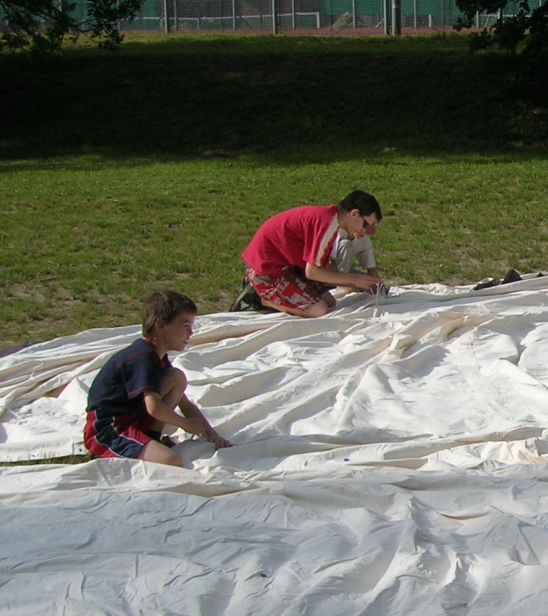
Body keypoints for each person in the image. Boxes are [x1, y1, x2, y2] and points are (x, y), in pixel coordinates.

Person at [83, 290, 230, 466]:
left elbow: (184, 403)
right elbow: (154, 408)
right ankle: (109, 453)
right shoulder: (142, 357)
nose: (191, 333)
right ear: (161, 326)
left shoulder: (156, 356)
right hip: (110, 429)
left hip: (133, 419)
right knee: (172, 461)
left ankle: (151, 440)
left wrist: (212, 434)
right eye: (185, 326)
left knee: (177, 377)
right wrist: (185, 424)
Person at [238, 191, 384, 317]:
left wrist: (354, 281)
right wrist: (354, 280)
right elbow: (312, 272)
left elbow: (320, 268)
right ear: (354, 214)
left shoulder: (331, 220)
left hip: (289, 266)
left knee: (330, 302)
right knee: (319, 311)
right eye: (365, 224)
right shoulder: (327, 224)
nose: (365, 231)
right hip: (267, 270)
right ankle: (260, 299)